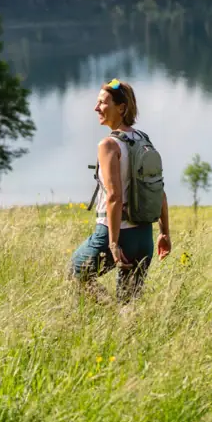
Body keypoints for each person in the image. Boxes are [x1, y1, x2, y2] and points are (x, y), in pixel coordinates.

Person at [69, 78, 172, 301]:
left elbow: (114, 196)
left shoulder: (108, 145)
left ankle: (110, 315)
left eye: (103, 103)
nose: (96, 108)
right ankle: (120, 321)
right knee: (129, 303)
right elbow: (158, 190)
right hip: (144, 237)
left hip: (115, 234)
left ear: (122, 108)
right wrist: (164, 232)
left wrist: (113, 244)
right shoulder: (144, 140)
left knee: (74, 274)